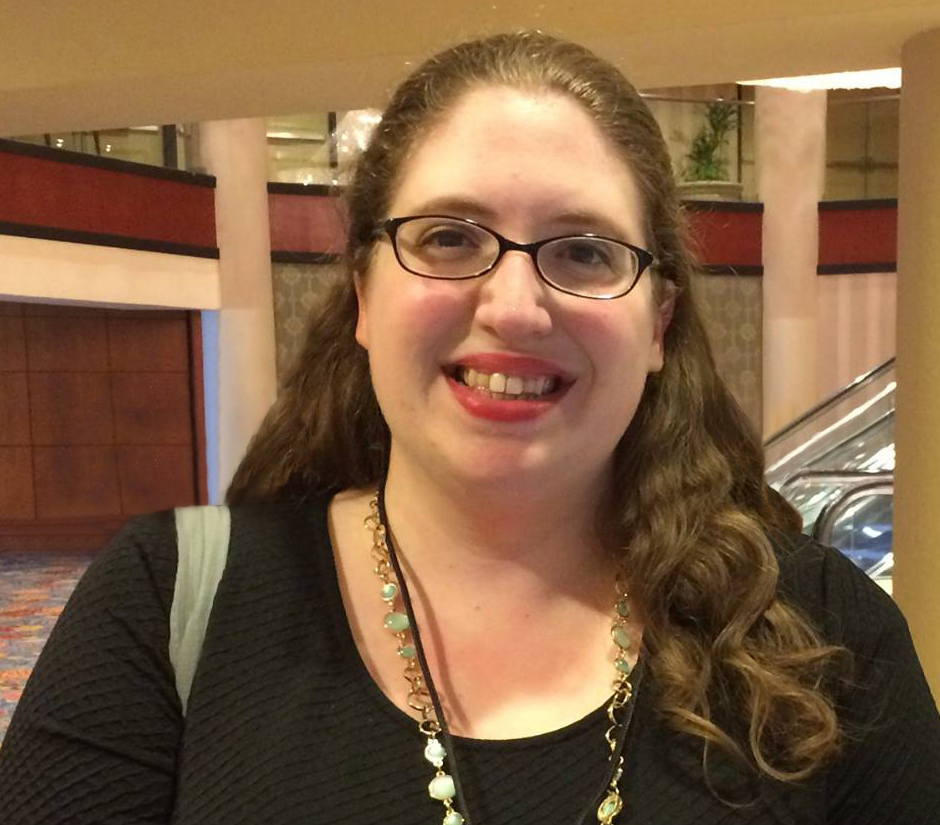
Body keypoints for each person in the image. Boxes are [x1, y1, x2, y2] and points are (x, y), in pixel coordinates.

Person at [0, 30, 937, 825]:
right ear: (363, 293)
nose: (517, 306)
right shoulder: (163, 603)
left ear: (657, 323)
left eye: (582, 249)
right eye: (449, 236)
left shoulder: (823, 636)